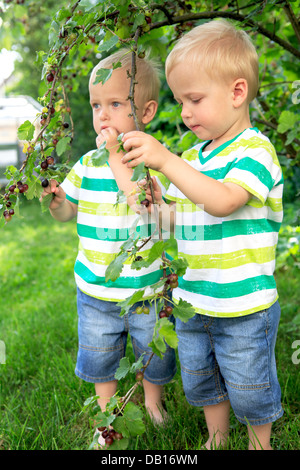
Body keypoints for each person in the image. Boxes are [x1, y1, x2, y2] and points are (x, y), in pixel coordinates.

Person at [121, 20, 284, 450]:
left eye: (194, 99)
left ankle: (258, 442)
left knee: (250, 384)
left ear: (237, 92)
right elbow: (181, 218)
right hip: (194, 301)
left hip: (245, 306)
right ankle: (216, 436)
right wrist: (157, 201)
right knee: (201, 379)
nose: (186, 112)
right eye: (179, 101)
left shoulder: (256, 150)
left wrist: (169, 162)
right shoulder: (193, 156)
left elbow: (224, 200)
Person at [40, 49, 176, 447]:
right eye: (97, 105)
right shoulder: (86, 164)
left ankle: (153, 403)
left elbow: (149, 207)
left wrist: (120, 157)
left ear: (146, 112)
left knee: (154, 353)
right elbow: (67, 214)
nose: (102, 115)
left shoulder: (150, 163)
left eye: (116, 104)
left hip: (145, 289)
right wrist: (58, 201)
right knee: (100, 357)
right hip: (95, 289)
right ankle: (106, 414)